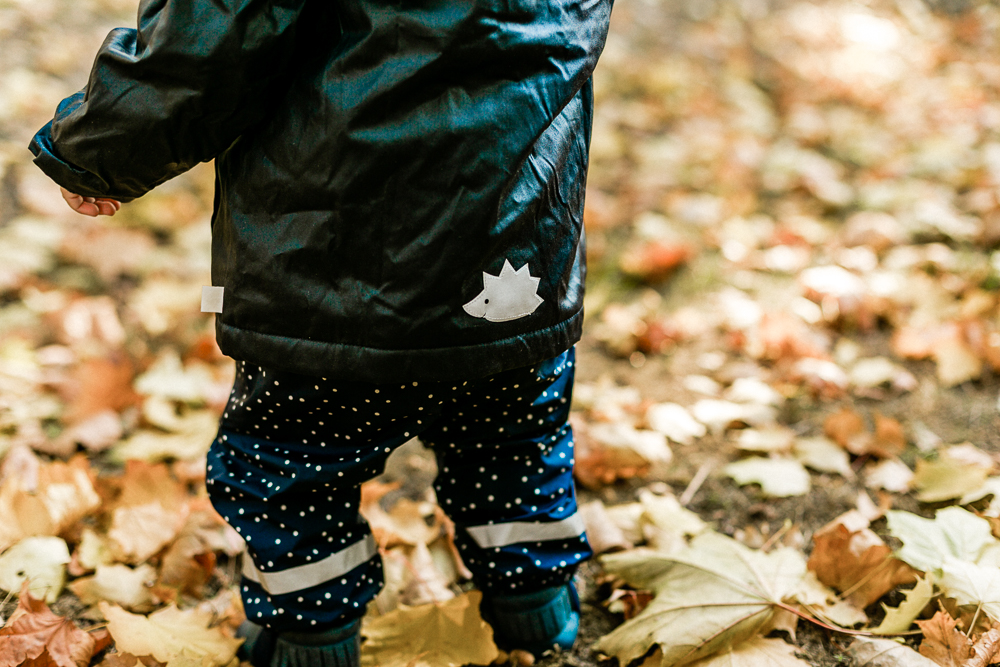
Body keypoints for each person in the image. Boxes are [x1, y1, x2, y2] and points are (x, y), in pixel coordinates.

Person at [30, 0, 613, 665]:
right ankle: (537, 611)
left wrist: (100, 150)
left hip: (325, 271)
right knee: (513, 444)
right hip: (512, 263)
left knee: (292, 467)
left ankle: (311, 635)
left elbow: (208, 37)